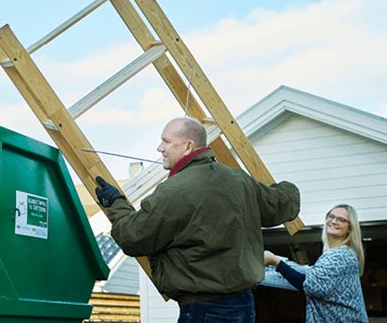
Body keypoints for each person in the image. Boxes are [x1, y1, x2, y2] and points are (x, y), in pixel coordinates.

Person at [95, 117, 301, 322]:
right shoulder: (239, 180)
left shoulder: (174, 190)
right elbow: (283, 204)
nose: (160, 148)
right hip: (244, 305)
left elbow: (132, 237)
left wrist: (115, 204)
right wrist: (286, 188)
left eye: (166, 141)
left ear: (189, 146)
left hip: (205, 309)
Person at [264, 204, 369, 322]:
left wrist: (275, 261)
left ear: (350, 228)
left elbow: (309, 285)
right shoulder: (338, 253)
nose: (334, 221)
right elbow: (314, 278)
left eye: (341, 220)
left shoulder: (341, 256)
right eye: (331, 216)